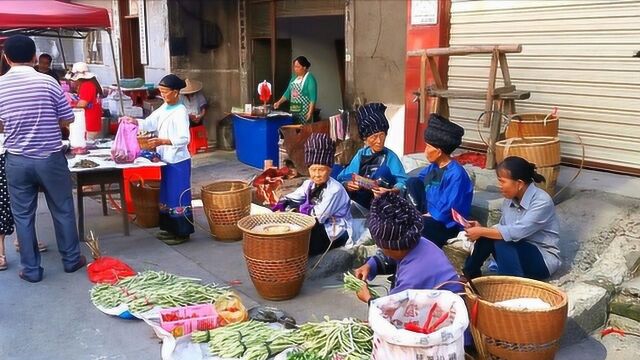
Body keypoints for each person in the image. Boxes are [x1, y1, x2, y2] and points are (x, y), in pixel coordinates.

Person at [0, 35, 85, 282]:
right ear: (35, 57)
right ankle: (71, 260)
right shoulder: (48, 83)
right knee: (62, 208)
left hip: (16, 160)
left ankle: (31, 269)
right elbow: (67, 118)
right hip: (50, 157)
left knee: (23, 215)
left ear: (6, 58)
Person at [463, 156, 561, 280]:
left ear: (519, 183)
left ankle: (509, 283)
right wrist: (481, 230)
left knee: (501, 240)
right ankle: (469, 275)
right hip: (516, 251)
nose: (500, 186)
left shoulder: (542, 201)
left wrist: (482, 231)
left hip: (542, 260)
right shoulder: (509, 200)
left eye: (502, 181)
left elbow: (515, 232)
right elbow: (502, 228)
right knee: (489, 236)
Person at [353, 193, 462, 304]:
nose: (380, 248)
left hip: (446, 312)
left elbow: (391, 311)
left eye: (380, 245)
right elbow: (392, 256)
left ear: (391, 248)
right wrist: (370, 265)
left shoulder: (412, 277)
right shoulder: (417, 242)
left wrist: (368, 298)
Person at [127, 74, 194, 245]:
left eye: (165, 92)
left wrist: (161, 141)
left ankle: (182, 233)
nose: (163, 95)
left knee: (178, 196)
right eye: (161, 92)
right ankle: (170, 229)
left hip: (178, 161)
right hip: (166, 159)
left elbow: (184, 138)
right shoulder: (164, 108)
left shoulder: (180, 112)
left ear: (176, 92)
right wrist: (134, 121)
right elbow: (150, 123)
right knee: (167, 195)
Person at [272, 133, 352, 256]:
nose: (317, 174)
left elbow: (318, 216)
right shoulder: (309, 184)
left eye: (321, 170)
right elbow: (295, 196)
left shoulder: (334, 190)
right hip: (316, 222)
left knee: (302, 240)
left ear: (330, 169)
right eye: (313, 170)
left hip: (335, 231)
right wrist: (284, 202)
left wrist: (296, 210)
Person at [405, 113, 474, 248]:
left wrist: (426, 216)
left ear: (439, 151)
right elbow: (416, 186)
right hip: (426, 215)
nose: (425, 151)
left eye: (428, 147)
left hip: (445, 225)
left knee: (416, 225)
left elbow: (449, 209)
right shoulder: (433, 168)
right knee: (412, 182)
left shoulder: (456, 174)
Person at [336, 103, 407, 214]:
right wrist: (347, 184)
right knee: (334, 170)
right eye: (374, 137)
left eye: (382, 135)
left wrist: (391, 190)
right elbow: (343, 176)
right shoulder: (361, 154)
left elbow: (402, 181)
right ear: (365, 139)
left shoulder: (390, 156)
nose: (379, 141)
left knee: (382, 172)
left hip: (383, 202)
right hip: (362, 199)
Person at [273, 56, 317, 124]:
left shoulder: (310, 79)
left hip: (304, 114)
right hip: (293, 112)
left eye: (297, 67)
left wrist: (310, 112)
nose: (295, 69)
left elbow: (313, 98)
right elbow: (287, 93)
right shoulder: (294, 78)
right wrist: (279, 102)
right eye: (294, 67)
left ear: (304, 67)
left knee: (303, 132)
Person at [66, 62, 103, 140]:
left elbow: (83, 104)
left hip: (89, 124)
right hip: (92, 123)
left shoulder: (87, 85)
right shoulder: (89, 84)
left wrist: (70, 105)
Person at [0, 132, 14, 270]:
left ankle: (24, 241)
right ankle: (0, 252)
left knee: (23, 199)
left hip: (12, 151)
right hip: (5, 151)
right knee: (2, 202)